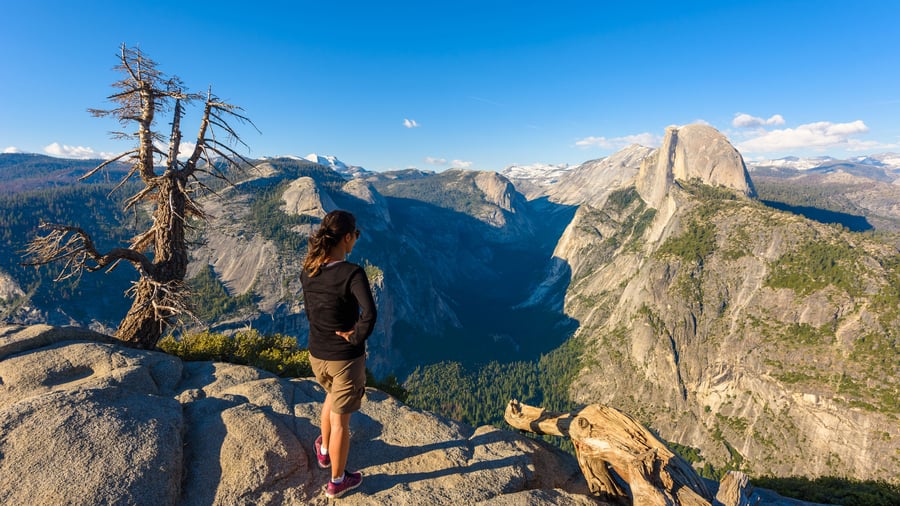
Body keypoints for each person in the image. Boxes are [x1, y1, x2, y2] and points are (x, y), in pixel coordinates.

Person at [300, 210, 377, 499]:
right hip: (345, 359)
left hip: (317, 355)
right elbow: (370, 313)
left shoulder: (309, 269)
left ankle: (323, 450)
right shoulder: (352, 273)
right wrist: (355, 337)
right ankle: (337, 480)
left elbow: (311, 313)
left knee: (331, 396)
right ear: (346, 237)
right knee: (341, 421)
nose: (356, 239)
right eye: (355, 235)